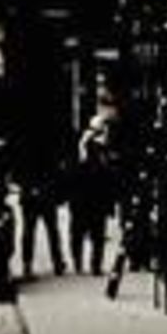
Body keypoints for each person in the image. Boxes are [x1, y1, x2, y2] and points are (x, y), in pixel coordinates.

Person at [71, 114, 116, 276]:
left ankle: (90, 264)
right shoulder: (86, 147)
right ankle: (88, 264)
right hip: (87, 197)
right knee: (87, 232)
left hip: (92, 197)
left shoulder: (101, 149)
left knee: (91, 233)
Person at [18, 169, 69, 279]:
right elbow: (56, 172)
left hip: (29, 196)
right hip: (47, 195)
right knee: (52, 231)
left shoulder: (26, 154)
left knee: (29, 231)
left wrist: (27, 187)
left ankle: (27, 264)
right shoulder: (49, 152)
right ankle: (57, 262)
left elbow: (19, 172)